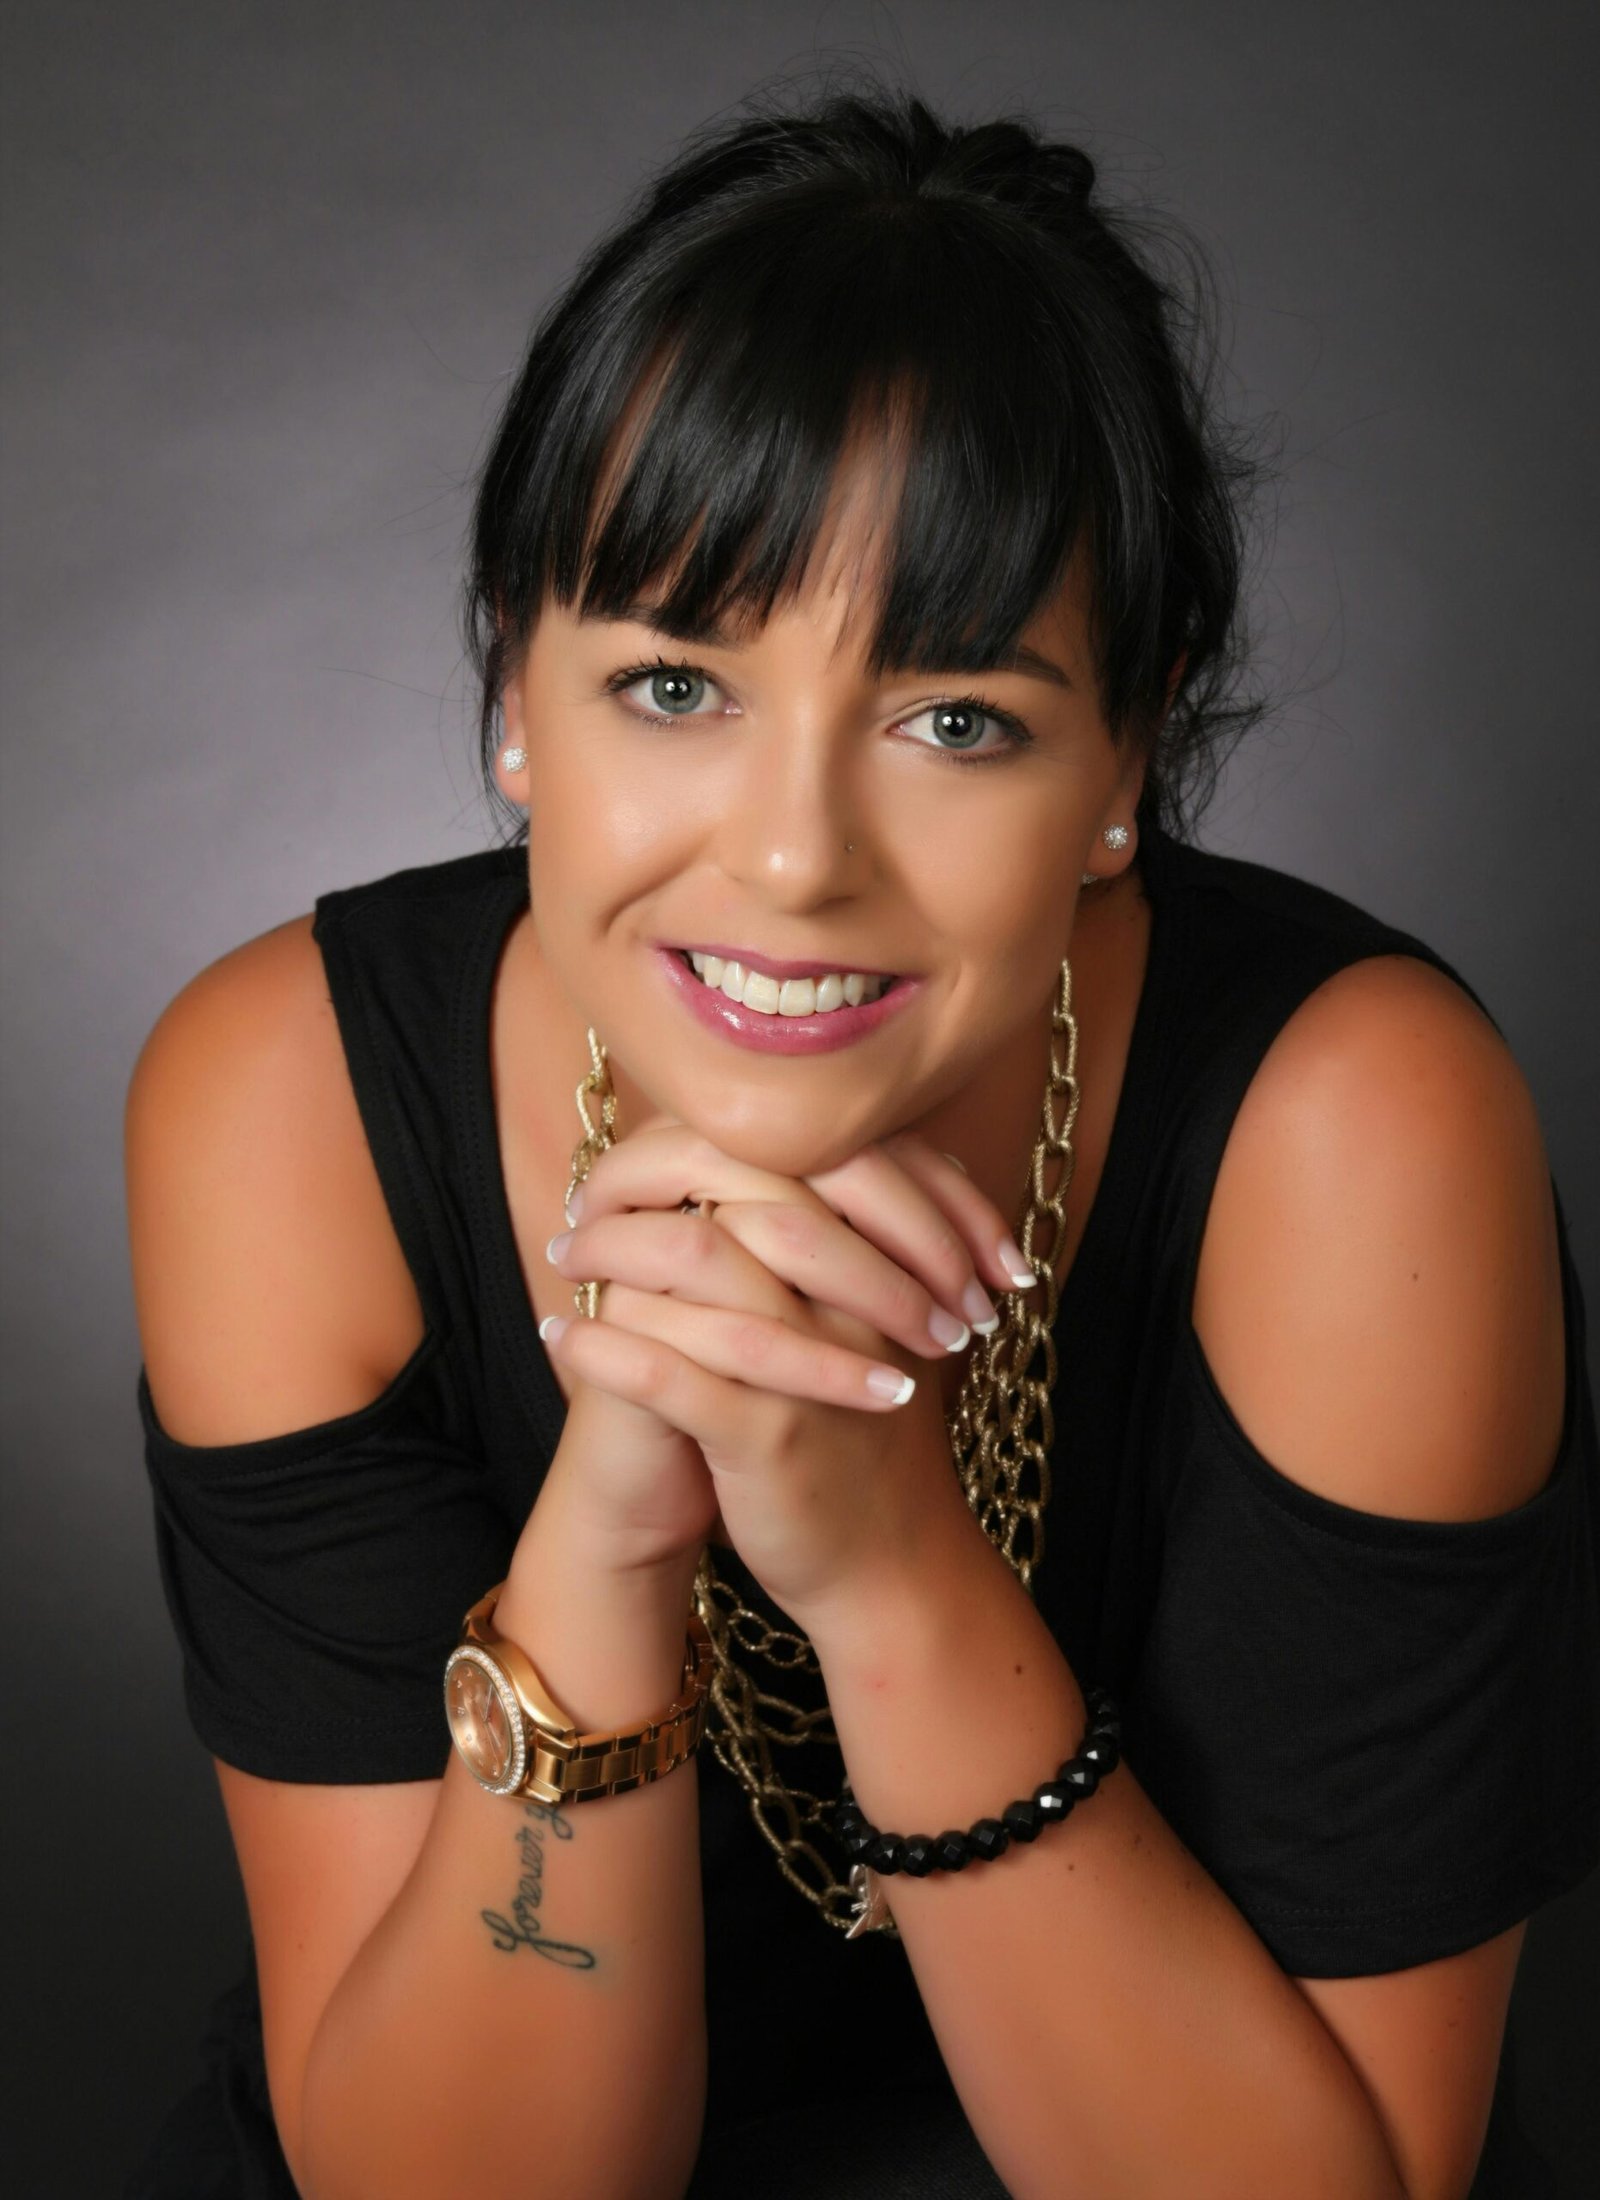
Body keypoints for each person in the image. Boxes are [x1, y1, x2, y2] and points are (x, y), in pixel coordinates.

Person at [124, 79, 1599, 2200]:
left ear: (1124, 758)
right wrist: (608, 1528)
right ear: (511, 698)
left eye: (954, 720)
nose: (796, 854)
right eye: (669, 684)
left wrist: (885, 1557)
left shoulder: (1350, 1127)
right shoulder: (283, 1097)